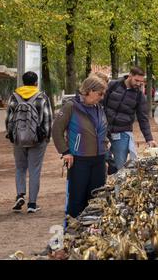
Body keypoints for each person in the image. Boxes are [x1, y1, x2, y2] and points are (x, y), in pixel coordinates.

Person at [52, 76, 108, 218]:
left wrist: (106, 153)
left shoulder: (99, 108)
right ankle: (73, 232)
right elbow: (56, 130)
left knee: (96, 197)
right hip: (79, 159)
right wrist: (65, 151)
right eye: (99, 94)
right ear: (89, 91)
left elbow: (101, 131)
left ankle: (92, 233)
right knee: (77, 198)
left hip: (99, 159)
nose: (101, 97)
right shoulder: (71, 106)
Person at [5, 71, 52, 213]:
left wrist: (11, 135)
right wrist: (47, 137)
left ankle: (20, 194)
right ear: (36, 82)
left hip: (19, 139)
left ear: (23, 82)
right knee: (34, 170)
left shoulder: (14, 96)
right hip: (37, 140)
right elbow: (48, 119)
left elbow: (8, 118)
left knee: (20, 168)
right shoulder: (42, 97)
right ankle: (32, 204)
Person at [103, 67, 157, 173]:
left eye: (141, 82)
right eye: (136, 80)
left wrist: (149, 138)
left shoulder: (139, 96)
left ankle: (119, 187)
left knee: (121, 167)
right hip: (104, 130)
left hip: (122, 132)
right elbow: (101, 104)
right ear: (130, 75)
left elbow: (143, 118)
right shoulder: (113, 85)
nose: (139, 84)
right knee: (102, 160)